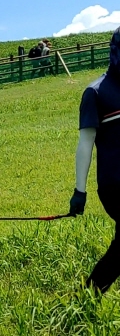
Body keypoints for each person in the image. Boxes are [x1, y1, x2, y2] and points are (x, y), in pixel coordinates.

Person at [69, 26, 120, 294]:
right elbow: (85, 144)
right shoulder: (96, 93)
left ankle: (89, 295)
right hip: (115, 184)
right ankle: (90, 293)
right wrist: (80, 191)